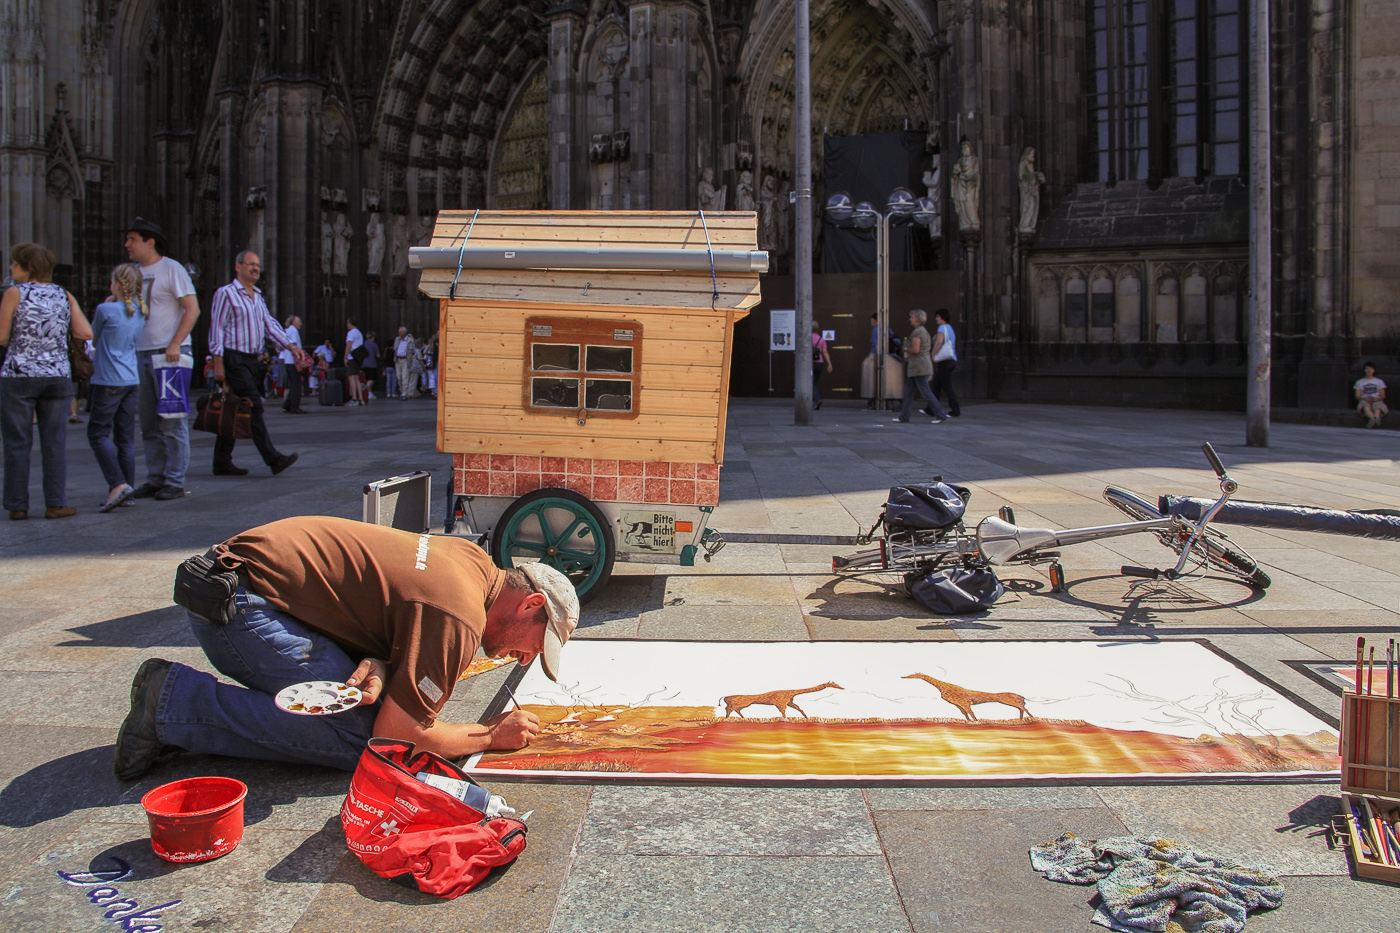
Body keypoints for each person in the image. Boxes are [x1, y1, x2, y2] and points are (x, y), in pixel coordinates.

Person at [112, 516, 580, 780]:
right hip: (239, 607)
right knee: (361, 739)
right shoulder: (459, 615)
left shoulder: (472, 562)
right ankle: (172, 704)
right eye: (535, 646)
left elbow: (390, 600)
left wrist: (380, 658)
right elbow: (398, 738)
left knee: (361, 701)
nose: (523, 659)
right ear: (530, 604)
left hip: (239, 579)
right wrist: (488, 736)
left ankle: (181, 704)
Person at [0, 243, 93, 520]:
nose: (10, 267)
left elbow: (2, 337)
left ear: (27, 267)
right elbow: (85, 331)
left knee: (17, 442)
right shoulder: (63, 295)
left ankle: (17, 505)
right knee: (54, 441)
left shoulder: (14, 293)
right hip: (57, 375)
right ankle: (55, 503)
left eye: (14, 263)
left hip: (19, 375)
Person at [207, 250, 304, 477]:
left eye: (258, 266)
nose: (254, 269)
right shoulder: (226, 293)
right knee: (254, 406)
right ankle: (273, 459)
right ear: (237, 266)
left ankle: (221, 461)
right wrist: (218, 362)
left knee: (235, 406)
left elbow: (270, 325)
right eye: (250, 264)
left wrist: (291, 346)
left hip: (252, 361)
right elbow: (217, 328)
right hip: (233, 358)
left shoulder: (257, 296)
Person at [125, 217, 200, 502]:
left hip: (169, 355)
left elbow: (192, 309)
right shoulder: (131, 272)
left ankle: (175, 480)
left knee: (173, 421)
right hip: (140, 352)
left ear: (149, 241)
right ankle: (155, 477)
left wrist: (176, 343)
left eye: (132, 238)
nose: (127, 244)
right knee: (148, 422)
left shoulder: (172, 269)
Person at [87, 263, 148, 513]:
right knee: (125, 439)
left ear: (116, 283)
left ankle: (117, 484)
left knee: (97, 433)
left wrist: (109, 302)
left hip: (108, 379)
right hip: (131, 378)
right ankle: (128, 491)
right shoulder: (141, 311)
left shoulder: (105, 309)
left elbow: (91, 337)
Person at [894, 309, 948, 424]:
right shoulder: (923, 331)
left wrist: (904, 349)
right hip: (920, 365)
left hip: (919, 366)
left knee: (925, 391)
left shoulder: (917, 332)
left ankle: (940, 414)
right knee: (909, 391)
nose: (910, 319)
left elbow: (915, 349)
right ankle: (904, 416)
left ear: (917, 319)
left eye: (912, 317)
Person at [930, 308, 961, 418]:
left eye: (937, 316)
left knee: (946, 386)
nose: (936, 319)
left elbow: (938, 342)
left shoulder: (942, 328)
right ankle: (931, 408)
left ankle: (955, 410)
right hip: (951, 360)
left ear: (941, 317)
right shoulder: (949, 328)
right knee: (937, 384)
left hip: (945, 361)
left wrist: (933, 354)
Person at [279, 314, 307, 414]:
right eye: (299, 321)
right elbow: (294, 346)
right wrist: (300, 359)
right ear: (293, 322)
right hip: (292, 361)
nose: (301, 324)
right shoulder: (294, 331)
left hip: (287, 361)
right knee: (297, 385)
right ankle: (294, 406)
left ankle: (287, 404)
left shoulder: (287, 330)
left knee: (293, 384)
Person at [1355, 362, 1388, 428]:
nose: (1369, 370)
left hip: (1376, 399)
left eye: (1371, 369)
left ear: (1374, 370)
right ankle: (1372, 418)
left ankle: (1376, 417)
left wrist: (1377, 399)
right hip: (1365, 399)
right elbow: (1357, 396)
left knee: (1378, 407)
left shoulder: (1379, 381)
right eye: (1367, 369)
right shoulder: (1359, 382)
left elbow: (1383, 395)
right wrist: (1364, 398)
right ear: (1364, 370)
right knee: (1365, 407)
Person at [344, 318, 366, 406]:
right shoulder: (359, 333)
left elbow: (349, 345)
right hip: (358, 357)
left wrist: (345, 357)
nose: (347, 325)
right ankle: (361, 398)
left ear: (350, 324)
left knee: (351, 378)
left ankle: (354, 398)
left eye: (347, 323)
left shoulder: (351, 333)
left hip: (352, 357)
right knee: (357, 378)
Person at [811, 323, 832, 410]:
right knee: (815, 383)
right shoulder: (821, 339)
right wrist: (829, 364)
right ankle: (815, 402)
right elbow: (825, 352)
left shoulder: (807, 338)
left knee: (810, 383)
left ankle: (817, 399)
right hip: (820, 363)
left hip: (810, 363)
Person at [394, 326, 416, 399]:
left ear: (405, 332)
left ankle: (404, 394)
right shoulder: (397, 339)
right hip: (398, 360)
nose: (399, 333)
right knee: (398, 376)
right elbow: (395, 349)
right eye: (399, 331)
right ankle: (402, 390)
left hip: (405, 360)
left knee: (405, 377)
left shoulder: (410, 340)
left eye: (401, 331)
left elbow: (413, 350)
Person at [362, 331, 380, 400]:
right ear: (372, 337)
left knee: (367, 379)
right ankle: (365, 388)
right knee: (372, 378)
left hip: (364, 364)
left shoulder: (363, 344)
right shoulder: (374, 345)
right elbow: (378, 355)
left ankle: (370, 393)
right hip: (372, 364)